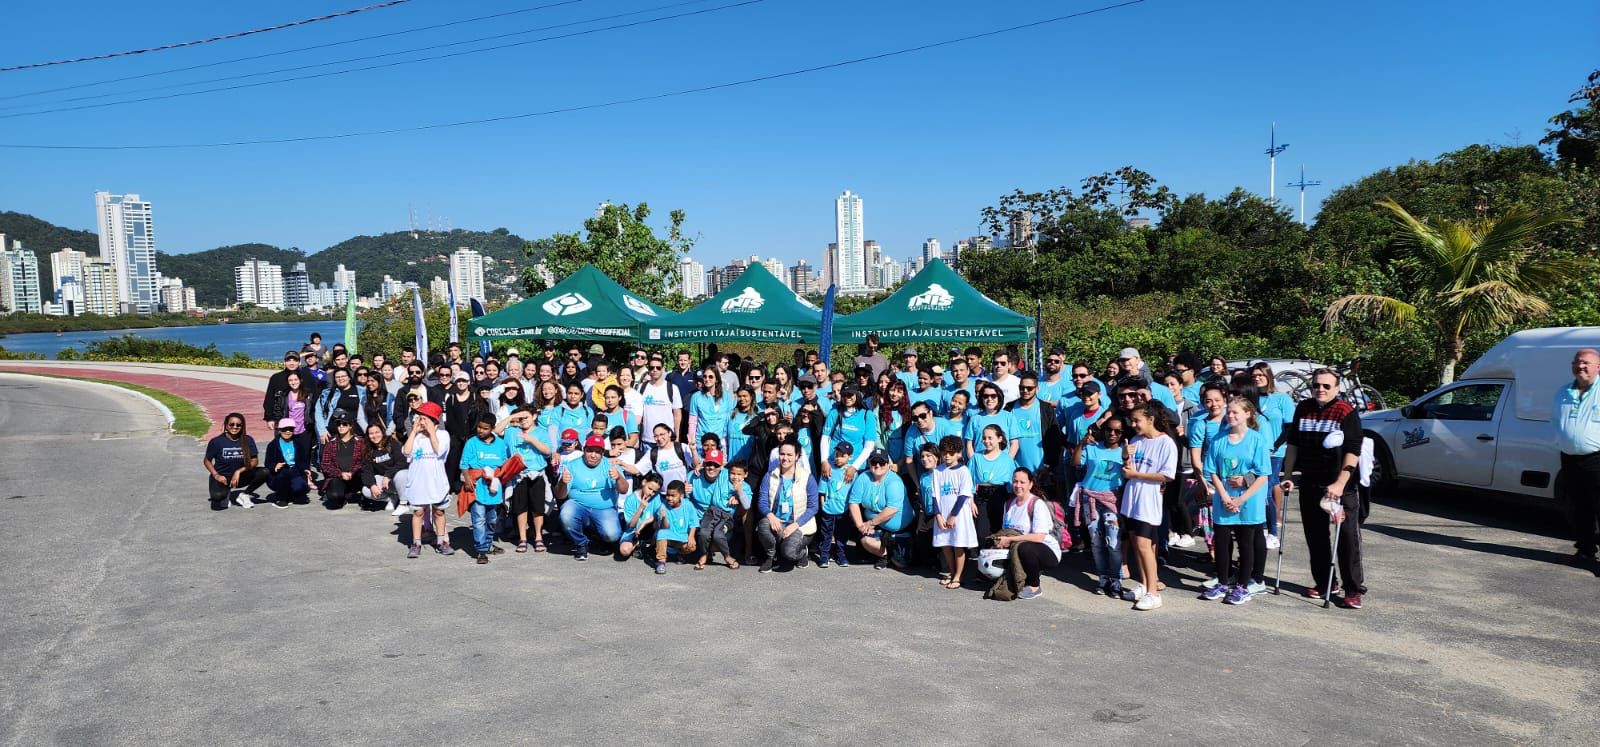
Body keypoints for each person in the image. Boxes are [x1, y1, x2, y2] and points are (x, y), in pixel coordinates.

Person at [1280, 368, 1366, 608]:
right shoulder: (1303, 408)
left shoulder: (1346, 412)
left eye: (1326, 386)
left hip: (1340, 487)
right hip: (1310, 480)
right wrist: (1288, 475)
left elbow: (1353, 451)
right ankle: (1326, 583)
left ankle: (1352, 588)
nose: (1320, 389)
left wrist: (1339, 483)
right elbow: (1293, 444)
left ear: (1336, 389)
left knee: (1347, 537)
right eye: (1317, 385)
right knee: (1316, 537)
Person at [1201, 398, 1272, 605]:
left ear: (1248, 414)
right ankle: (1223, 582)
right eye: (1228, 412)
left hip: (1249, 501)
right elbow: (1211, 471)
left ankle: (1243, 586)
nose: (1230, 416)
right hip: (1224, 499)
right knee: (1221, 542)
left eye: (1235, 413)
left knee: (1246, 543)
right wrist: (1223, 496)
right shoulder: (1218, 440)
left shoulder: (1257, 440)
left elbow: (1263, 474)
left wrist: (1241, 498)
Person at [1122, 402, 1177, 611]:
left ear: (1150, 420)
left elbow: (1167, 475)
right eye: (1132, 420)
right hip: (1132, 499)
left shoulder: (1166, 443)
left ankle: (1153, 592)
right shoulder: (1136, 440)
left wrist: (1136, 475)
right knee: (1137, 544)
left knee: (1146, 546)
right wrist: (1126, 456)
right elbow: (1128, 469)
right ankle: (1145, 585)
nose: (1133, 424)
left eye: (1137, 420)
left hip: (1148, 500)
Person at [1554, 348, 1600, 568]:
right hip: (1569, 459)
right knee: (1579, 508)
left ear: (1598, 367)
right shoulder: (1563, 392)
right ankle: (1585, 552)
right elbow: (1556, 421)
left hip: (1597, 459)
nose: (1581, 366)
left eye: (1586, 363)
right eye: (1577, 362)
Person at [1076, 414, 1127, 598]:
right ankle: (1103, 578)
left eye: (1117, 431)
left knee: (1113, 542)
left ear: (1122, 433)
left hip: (1112, 500)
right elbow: (1076, 463)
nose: (1112, 434)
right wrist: (1081, 444)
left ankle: (1116, 580)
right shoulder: (1093, 448)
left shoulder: (1124, 451)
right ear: (1103, 431)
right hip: (1091, 500)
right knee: (1096, 542)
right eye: (1108, 430)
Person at [995, 468, 1062, 600]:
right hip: (1017, 546)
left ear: (1030, 484)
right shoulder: (1008, 504)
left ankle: (1034, 585)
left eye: (1022, 482)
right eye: (1015, 481)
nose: (1018, 485)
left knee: (1025, 547)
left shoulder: (1037, 504)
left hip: (1046, 551)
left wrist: (1010, 540)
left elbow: (1039, 537)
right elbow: (1005, 531)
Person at [559, 434, 628, 561]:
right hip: (578, 505)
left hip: (604, 508)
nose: (593, 455)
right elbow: (560, 495)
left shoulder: (610, 464)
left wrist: (618, 478)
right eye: (590, 450)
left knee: (612, 535)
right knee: (566, 513)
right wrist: (563, 482)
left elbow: (624, 490)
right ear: (584, 450)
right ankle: (581, 543)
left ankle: (597, 535)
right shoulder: (571, 465)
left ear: (602, 453)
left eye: (597, 452)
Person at [401, 401, 454, 558]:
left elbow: (439, 450)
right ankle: (416, 543)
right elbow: (406, 452)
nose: (419, 421)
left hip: (436, 481)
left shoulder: (443, 435)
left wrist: (431, 433)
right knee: (418, 512)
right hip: (418, 480)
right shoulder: (416, 437)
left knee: (438, 511)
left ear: (433, 420)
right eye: (419, 418)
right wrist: (413, 432)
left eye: (423, 418)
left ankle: (441, 541)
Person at [756, 440, 818, 573]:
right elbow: (762, 501)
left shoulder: (808, 478)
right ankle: (771, 556)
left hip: (798, 525)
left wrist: (795, 525)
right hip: (777, 522)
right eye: (782, 454)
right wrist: (770, 515)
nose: (785, 458)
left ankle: (802, 553)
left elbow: (813, 507)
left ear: (797, 456)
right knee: (763, 524)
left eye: (790, 454)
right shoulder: (769, 476)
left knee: (789, 553)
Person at [1251, 362, 1295, 549]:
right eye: (1254, 375)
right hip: (1253, 451)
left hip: (1275, 451)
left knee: (1267, 488)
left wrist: (1275, 445)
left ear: (1269, 376)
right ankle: (1258, 526)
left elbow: (1290, 427)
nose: (1257, 378)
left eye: (1261, 374)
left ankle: (1272, 532)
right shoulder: (1250, 398)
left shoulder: (1282, 399)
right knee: (1254, 489)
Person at [460, 412, 512, 564]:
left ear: (492, 428)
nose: (480, 431)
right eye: (479, 427)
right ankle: (481, 551)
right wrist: (467, 477)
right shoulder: (471, 442)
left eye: (485, 428)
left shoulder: (501, 444)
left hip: (493, 488)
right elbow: (464, 464)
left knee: (492, 520)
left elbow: (504, 464)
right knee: (479, 520)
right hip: (477, 487)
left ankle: (488, 544)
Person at [848, 449, 911, 569]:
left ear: (888, 464)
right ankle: (885, 555)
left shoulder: (894, 482)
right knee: (865, 541)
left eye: (882, 463)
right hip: (876, 527)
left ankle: (896, 547)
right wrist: (861, 526)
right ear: (869, 463)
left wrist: (871, 523)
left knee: (901, 564)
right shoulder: (863, 478)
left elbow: (892, 509)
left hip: (898, 530)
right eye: (874, 462)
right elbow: (853, 502)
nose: (877, 465)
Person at [931, 435, 977, 588]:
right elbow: (935, 495)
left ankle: (958, 576)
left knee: (958, 545)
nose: (947, 456)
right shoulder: (937, 471)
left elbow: (964, 494)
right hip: (942, 515)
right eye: (944, 453)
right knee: (946, 545)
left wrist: (953, 516)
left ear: (958, 453)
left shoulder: (963, 471)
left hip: (958, 516)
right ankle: (952, 572)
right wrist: (938, 516)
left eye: (951, 453)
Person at [204, 413, 266, 510]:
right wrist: (216, 475)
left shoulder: (248, 440)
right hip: (222, 477)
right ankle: (225, 494)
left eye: (238, 425)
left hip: (240, 476)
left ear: (242, 426)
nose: (235, 427)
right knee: (217, 497)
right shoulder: (216, 441)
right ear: (226, 425)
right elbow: (207, 461)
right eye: (231, 424)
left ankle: (245, 495)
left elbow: (254, 461)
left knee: (265, 472)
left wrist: (239, 471)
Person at [816, 442, 856, 568]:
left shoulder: (852, 473)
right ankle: (824, 555)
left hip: (843, 510)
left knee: (842, 534)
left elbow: (853, 494)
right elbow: (822, 489)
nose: (838, 458)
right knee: (826, 533)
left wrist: (850, 509)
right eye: (836, 455)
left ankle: (841, 555)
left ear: (850, 457)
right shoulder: (828, 469)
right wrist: (823, 505)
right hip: (828, 508)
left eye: (842, 456)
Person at [318, 410, 367, 510]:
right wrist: (340, 474)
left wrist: (351, 473)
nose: (341, 426)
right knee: (334, 496)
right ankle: (344, 495)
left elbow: (364, 461)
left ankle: (365, 496)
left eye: (344, 424)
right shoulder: (331, 443)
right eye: (338, 424)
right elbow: (325, 465)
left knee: (364, 471)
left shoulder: (360, 441)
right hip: (339, 477)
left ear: (350, 426)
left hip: (355, 477)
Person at [648, 481, 697, 574]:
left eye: (673, 496)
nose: (669, 498)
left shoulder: (688, 505)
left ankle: (679, 554)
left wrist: (691, 537)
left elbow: (693, 523)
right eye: (668, 495)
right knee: (661, 533)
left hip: (682, 537)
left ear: (681, 495)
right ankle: (661, 562)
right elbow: (665, 527)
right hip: (669, 536)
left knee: (692, 547)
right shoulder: (663, 506)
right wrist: (664, 517)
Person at [263, 418, 315, 506]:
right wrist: (275, 466)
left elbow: (304, 460)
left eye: (290, 429)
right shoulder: (273, 445)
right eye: (284, 429)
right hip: (280, 473)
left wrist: (306, 469)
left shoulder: (298, 443)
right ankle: (281, 498)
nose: (287, 432)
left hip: (295, 471)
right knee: (284, 475)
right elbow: (268, 462)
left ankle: (292, 494)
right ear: (279, 430)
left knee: (301, 495)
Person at [617, 471, 664, 560]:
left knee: (660, 522)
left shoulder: (656, 497)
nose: (651, 493)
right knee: (624, 551)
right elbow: (631, 524)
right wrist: (640, 508)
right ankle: (638, 543)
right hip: (634, 530)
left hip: (649, 527)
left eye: (654, 491)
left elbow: (659, 514)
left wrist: (645, 523)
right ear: (644, 482)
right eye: (649, 488)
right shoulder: (631, 499)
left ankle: (651, 546)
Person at [359, 423, 405, 512]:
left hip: (398, 479)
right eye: (371, 433)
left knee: (401, 474)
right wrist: (372, 485)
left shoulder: (392, 444)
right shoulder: (368, 450)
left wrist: (388, 475)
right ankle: (392, 498)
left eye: (377, 432)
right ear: (368, 436)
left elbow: (402, 462)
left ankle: (404, 502)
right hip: (385, 483)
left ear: (382, 432)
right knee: (366, 490)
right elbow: (366, 471)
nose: (374, 436)